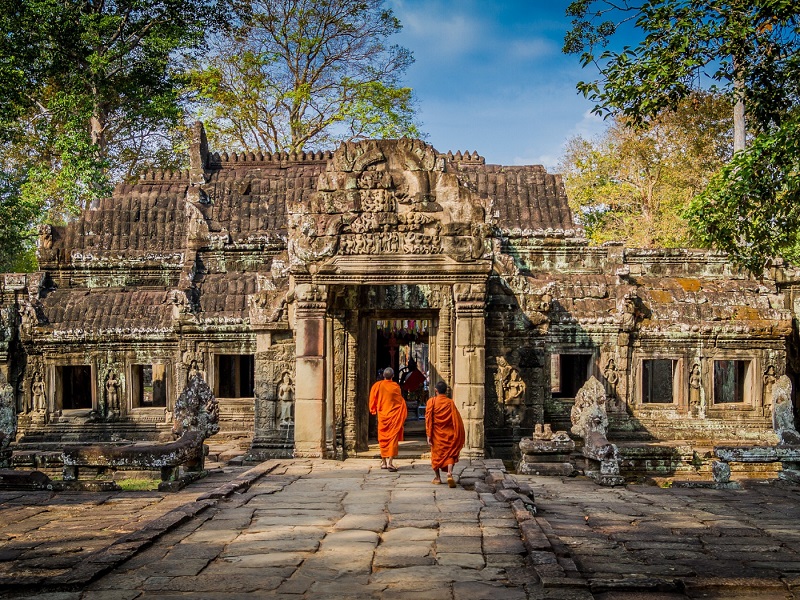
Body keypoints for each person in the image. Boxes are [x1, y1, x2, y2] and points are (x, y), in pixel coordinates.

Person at [426, 380, 465, 487]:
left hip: (436, 434)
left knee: (436, 456)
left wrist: (429, 434)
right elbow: (456, 420)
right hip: (449, 433)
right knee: (450, 453)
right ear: (446, 391)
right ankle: (449, 473)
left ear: (435, 390)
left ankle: (438, 478)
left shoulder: (431, 402)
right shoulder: (450, 402)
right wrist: (458, 433)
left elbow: (429, 419)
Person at [369, 367, 407, 472]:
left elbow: (372, 400)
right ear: (393, 376)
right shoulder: (395, 387)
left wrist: (373, 409)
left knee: (383, 439)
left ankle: (384, 462)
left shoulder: (377, 386)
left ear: (383, 376)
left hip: (383, 416)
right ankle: (390, 462)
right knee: (392, 439)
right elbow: (400, 401)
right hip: (393, 416)